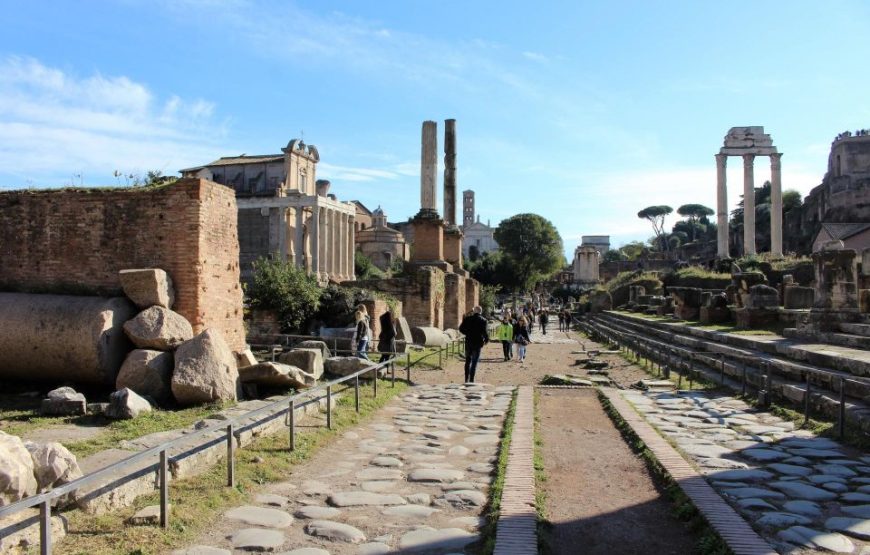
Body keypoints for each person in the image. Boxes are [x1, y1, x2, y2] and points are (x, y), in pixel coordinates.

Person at [458, 306, 489, 383]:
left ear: (474, 311)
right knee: (474, 362)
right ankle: (471, 379)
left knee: (468, 361)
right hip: (478, 343)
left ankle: (466, 379)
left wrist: (467, 333)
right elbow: (485, 332)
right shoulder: (484, 320)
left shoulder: (467, 319)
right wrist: (486, 340)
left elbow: (461, 329)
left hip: (468, 342)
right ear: (480, 312)